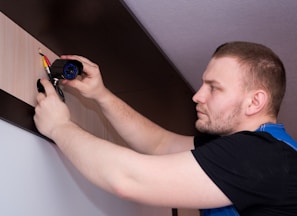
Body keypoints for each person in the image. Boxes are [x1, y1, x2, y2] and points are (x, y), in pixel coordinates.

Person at [34, 41, 297, 215]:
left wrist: (59, 127)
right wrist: (101, 95)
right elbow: (160, 144)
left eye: (214, 88)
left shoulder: (262, 156)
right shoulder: (251, 150)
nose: (197, 96)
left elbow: (129, 179)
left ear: (255, 102)